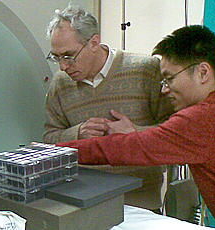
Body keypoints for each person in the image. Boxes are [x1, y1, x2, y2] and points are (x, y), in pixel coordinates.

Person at [56, 25, 215, 227]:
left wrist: (53, 153)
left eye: (169, 79)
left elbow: (125, 148)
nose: (164, 89)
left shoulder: (200, 118)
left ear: (203, 72)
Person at [43, 4, 174, 212]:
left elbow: (175, 136)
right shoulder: (60, 84)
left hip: (140, 203)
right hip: (81, 203)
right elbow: (48, 140)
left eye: (68, 56)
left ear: (94, 42)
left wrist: (135, 134)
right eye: (56, 57)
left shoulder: (146, 71)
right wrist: (77, 133)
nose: (62, 66)